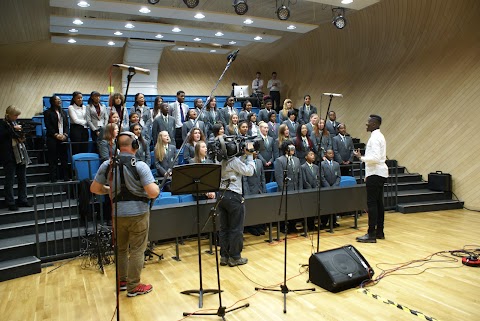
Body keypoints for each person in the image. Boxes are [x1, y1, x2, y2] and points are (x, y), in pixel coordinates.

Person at [90, 131, 160, 297]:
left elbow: (94, 189)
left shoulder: (107, 165)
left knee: (121, 249)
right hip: (138, 214)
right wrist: (155, 188)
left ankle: (122, 281)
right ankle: (133, 286)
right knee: (137, 250)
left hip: (117, 215)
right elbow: (152, 192)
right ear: (135, 146)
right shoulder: (140, 165)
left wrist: (110, 190)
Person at [217, 136, 255, 267]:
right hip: (234, 197)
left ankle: (224, 256)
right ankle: (235, 257)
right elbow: (249, 171)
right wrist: (250, 156)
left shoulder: (221, 161)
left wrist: (243, 155)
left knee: (224, 228)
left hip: (221, 195)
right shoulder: (234, 161)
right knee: (236, 228)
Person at [353, 115, 388, 243]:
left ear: (374, 124)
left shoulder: (375, 138)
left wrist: (361, 158)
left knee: (372, 204)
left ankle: (371, 234)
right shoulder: (379, 136)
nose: (366, 124)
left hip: (375, 173)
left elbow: (376, 158)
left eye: (368, 122)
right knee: (379, 203)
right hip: (380, 173)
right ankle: (380, 231)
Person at [0, 106, 30, 211]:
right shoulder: (2, 124)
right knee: (10, 179)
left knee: (22, 178)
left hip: (19, 153)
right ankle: (10, 201)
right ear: (9, 114)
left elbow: (18, 135)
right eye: (15, 115)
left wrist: (21, 134)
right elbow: (2, 135)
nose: (17, 117)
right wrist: (14, 129)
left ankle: (23, 199)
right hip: (8, 155)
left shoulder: (15, 123)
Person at [44, 95, 69, 182]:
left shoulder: (64, 112)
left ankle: (65, 177)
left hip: (63, 137)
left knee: (64, 158)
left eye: (60, 99)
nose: (59, 101)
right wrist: (56, 135)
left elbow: (66, 125)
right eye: (57, 99)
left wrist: (65, 134)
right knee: (53, 159)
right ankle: (53, 178)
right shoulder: (47, 112)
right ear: (52, 101)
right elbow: (48, 125)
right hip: (52, 138)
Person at [242, 151, 266, 236]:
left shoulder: (259, 162)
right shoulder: (245, 162)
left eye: (257, 152)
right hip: (250, 190)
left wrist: (264, 189)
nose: (256, 153)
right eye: (254, 152)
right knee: (252, 210)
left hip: (259, 189)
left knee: (259, 209)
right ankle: (252, 227)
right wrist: (247, 193)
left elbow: (262, 177)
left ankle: (259, 226)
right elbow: (244, 180)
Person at [320, 149, 341, 229]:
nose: (331, 155)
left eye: (332, 153)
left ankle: (333, 222)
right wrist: (328, 187)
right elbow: (322, 177)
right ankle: (324, 222)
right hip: (326, 188)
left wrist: (335, 186)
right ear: (325, 154)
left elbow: (339, 177)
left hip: (334, 188)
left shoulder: (336, 164)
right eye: (329, 153)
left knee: (334, 205)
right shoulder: (322, 164)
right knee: (326, 206)